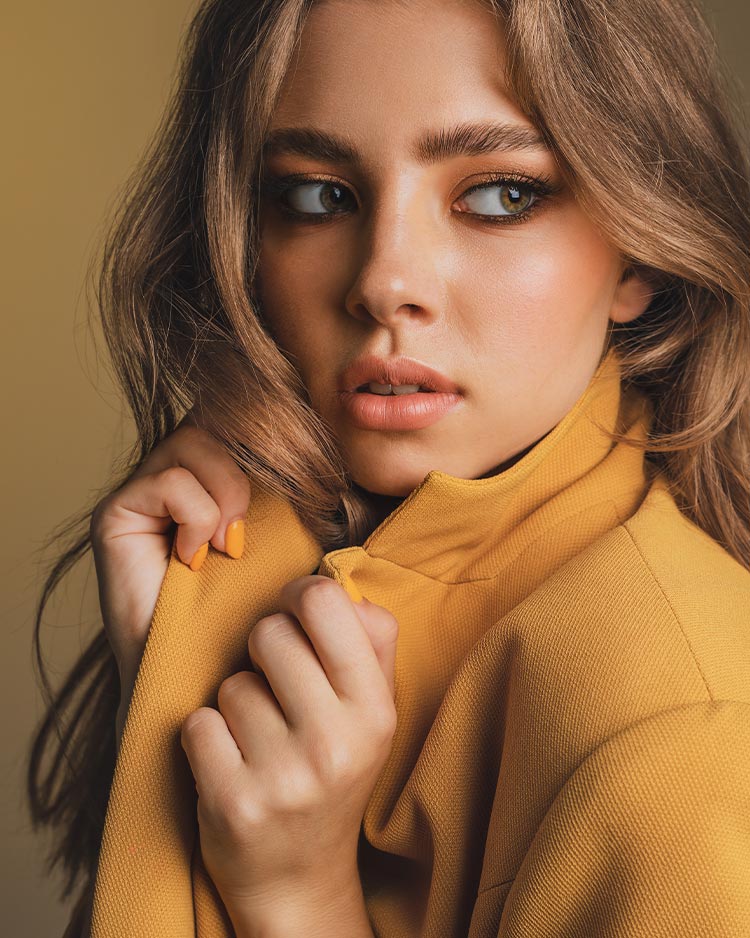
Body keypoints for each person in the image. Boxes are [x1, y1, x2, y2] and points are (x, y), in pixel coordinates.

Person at [26, 0, 750, 935]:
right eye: (318, 195)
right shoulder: (237, 550)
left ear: (639, 250)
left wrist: (296, 899)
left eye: (500, 195)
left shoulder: (683, 734)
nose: (384, 281)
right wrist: (176, 667)